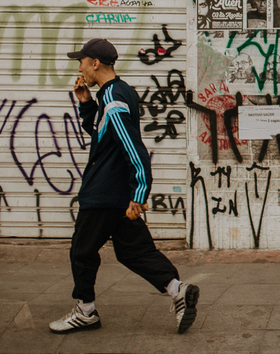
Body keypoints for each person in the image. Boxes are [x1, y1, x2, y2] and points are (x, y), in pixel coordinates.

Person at [50, 39, 200, 335]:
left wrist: (140, 193)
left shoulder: (114, 98)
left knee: (82, 251)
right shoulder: (116, 92)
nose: (79, 66)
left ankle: (85, 312)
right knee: (134, 251)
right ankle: (177, 290)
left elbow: (133, 147)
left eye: (82, 60)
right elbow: (103, 133)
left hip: (105, 193)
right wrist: (86, 104)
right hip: (116, 191)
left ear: (95, 63)